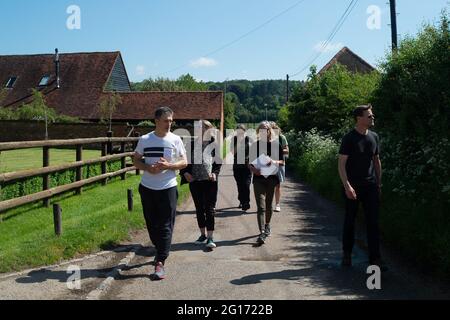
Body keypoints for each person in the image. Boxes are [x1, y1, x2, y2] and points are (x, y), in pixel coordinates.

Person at [133, 106, 187, 280]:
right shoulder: (145, 139)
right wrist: (147, 167)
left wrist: (169, 166)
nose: (169, 124)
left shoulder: (176, 139)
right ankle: (160, 247)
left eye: (171, 121)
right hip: (147, 188)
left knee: (165, 224)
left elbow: (184, 162)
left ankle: (160, 261)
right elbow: (135, 159)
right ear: (156, 121)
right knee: (152, 223)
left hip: (168, 188)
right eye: (165, 120)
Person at [338, 104, 386, 271]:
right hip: (352, 187)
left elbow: (376, 161)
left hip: (370, 186)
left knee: (373, 222)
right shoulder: (349, 138)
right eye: (369, 116)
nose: (372, 118)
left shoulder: (374, 136)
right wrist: (347, 186)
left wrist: (379, 183)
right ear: (359, 118)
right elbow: (341, 164)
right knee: (350, 221)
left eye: (372, 116)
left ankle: (375, 259)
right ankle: (347, 253)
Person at [180, 120, 222, 249]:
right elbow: (183, 162)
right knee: (199, 208)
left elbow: (217, 163)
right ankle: (202, 235)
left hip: (210, 182)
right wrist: (185, 173)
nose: (201, 130)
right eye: (199, 128)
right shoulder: (190, 145)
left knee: (209, 209)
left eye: (203, 128)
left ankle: (210, 237)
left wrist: (215, 173)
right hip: (195, 181)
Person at [249, 121, 284, 245]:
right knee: (261, 206)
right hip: (258, 179)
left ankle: (267, 225)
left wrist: (274, 161)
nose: (265, 131)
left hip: (272, 179)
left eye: (267, 129)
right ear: (259, 131)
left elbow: (282, 162)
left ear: (270, 131)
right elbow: (250, 164)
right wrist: (254, 170)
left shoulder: (276, 145)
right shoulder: (255, 145)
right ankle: (262, 231)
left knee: (269, 206)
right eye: (262, 129)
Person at [230, 124, 252, 212]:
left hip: (247, 166)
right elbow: (232, 152)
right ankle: (241, 200)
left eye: (241, 130)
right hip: (237, 166)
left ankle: (246, 202)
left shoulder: (248, 139)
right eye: (238, 130)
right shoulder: (234, 139)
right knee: (240, 185)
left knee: (246, 184)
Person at [270, 122, 289, 212]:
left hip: (279, 163)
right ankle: (267, 204)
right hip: (268, 164)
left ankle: (277, 204)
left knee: (277, 186)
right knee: (268, 185)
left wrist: (278, 150)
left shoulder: (282, 138)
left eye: (274, 129)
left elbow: (287, 151)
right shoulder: (266, 139)